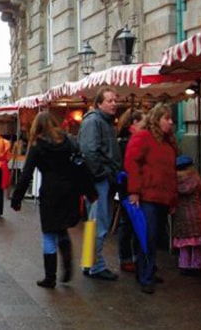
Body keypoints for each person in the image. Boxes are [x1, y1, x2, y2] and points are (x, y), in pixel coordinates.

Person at [11, 111, 86, 288]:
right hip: (69, 190)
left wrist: (17, 198)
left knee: (49, 233)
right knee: (62, 229)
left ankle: (50, 276)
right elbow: (80, 166)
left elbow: (26, 173)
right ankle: (67, 265)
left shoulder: (38, 146)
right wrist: (88, 189)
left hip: (50, 192)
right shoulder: (69, 141)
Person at [124, 103, 178, 294]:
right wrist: (134, 191)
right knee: (148, 236)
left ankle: (146, 271)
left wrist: (172, 199)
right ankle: (146, 276)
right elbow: (132, 163)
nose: (170, 122)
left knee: (154, 237)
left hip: (163, 197)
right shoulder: (143, 137)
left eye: (171, 118)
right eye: (166, 118)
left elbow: (171, 172)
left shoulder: (168, 142)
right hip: (147, 196)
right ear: (157, 119)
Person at [78, 86, 122, 281]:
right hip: (99, 180)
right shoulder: (95, 121)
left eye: (115, 100)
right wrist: (102, 174)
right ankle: (96, 265)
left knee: (94, 223)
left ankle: (90, 262)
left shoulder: (103, 121)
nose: (114, 103)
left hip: (101, 178)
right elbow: (89, 151)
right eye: (110, 100)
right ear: (99, 103)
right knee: (98, 223)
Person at [116, 108, 145, 273]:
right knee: (127, 223)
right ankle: (127, 258)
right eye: (143, 121)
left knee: (131, 223)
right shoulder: (126, 142)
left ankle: (131, 257)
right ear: (134, 123)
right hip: (127, 186)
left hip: (128, 186)